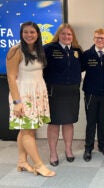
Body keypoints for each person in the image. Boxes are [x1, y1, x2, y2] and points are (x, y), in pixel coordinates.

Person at [6, 21, 55, 177]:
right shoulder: (16, 50)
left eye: (32, 32)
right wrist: (17, 102)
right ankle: (39, 165)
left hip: (37, 94)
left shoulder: (39, 50)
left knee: (26, 129)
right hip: (23, 95)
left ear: (37, 34)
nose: (29, 35)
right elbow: (11, 78)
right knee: (28, 132)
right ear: (21, 34)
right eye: (25, 32)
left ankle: (22, 161)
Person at [43, 23, 83, 166]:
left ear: (73, 36)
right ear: (58, 35)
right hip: (55, 92)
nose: (67, 37)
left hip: (72, 92)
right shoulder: (48, 49)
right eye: (64, 34)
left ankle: (68, 150)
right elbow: (40, 67)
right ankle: (53, 153)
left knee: (68, 122)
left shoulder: (77, 50)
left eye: (69, 34)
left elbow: (82, 67)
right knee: (54, 124)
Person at [82, 28, 104, 162]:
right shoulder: (87, 54)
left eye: (102, 38)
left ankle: (102, 146)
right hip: (91, 93)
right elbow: (79, 69)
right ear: (93, 39)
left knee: (102, 121)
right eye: (97, 38)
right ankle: (88, 148)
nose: (100, 40)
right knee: (91, 122)